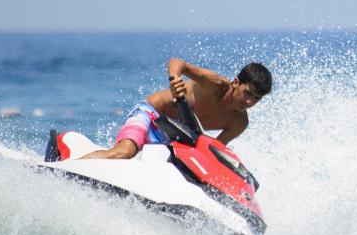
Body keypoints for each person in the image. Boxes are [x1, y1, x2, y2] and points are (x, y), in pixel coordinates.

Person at [78, 58, 272, 159]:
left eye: (256, 98)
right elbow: (177, 62)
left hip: (175, 139)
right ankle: (67, 168)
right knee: (124, 153)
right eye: (248, 93)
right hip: (150, 116)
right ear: (236, 82)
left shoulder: (239, 122)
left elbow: (211, 149)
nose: (249, 102)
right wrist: (174, 79)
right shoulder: (214, 84)